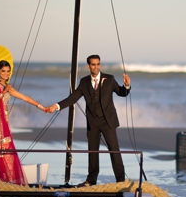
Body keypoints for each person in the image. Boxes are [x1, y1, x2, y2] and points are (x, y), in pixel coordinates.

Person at [45, 54, 131, 187]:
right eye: (93, 64)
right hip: (93, 122)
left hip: (108, 121)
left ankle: (120, 180)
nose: (96, 67)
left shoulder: (109, 79)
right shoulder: (84, 82)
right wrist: (56, 106)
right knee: (92, 151)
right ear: (88, 66)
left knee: (114, 150)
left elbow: (122, 93)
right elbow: (73, 97)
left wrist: (126, 86)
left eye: (98, 64)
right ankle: (91, 180)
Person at [0, 60, 45, 185]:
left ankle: (6, 179)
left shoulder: (6, 86)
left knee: (7, 149)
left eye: (8, 71)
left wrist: (41, 107)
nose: (6, 74)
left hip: (4, 121)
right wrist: (4, 92)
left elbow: (25, 98)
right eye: (3, 71)